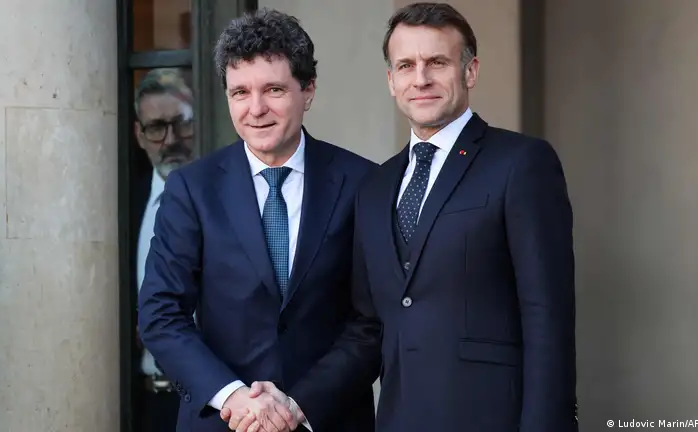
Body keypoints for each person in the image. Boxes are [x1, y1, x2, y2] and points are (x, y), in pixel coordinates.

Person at [242, 3, 579, 431]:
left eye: (437, 62)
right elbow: (368, 329)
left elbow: (547, 315)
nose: (420, 79)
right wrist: (296, 404)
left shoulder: (521, 163)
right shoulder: (376, 186)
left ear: (470, 71)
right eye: (405, 66)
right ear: (391, 80)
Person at [137, 8, 379, 432]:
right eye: (240, 92)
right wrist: (233, 397)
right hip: (223, 420)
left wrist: (298, 405)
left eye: (273, 89)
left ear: (308, 90)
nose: (256, 108)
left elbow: (373, 321)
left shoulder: (363, 183)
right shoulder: (192, 189)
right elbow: (160, 314)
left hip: (328, 419)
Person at [132, 68, 197, 432]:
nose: (171, 139)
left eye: (181, 123)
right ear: (139, 135)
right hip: (148, 402)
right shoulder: (123, 202)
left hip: (216, 402)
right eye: (157, 127)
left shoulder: (229, 198)